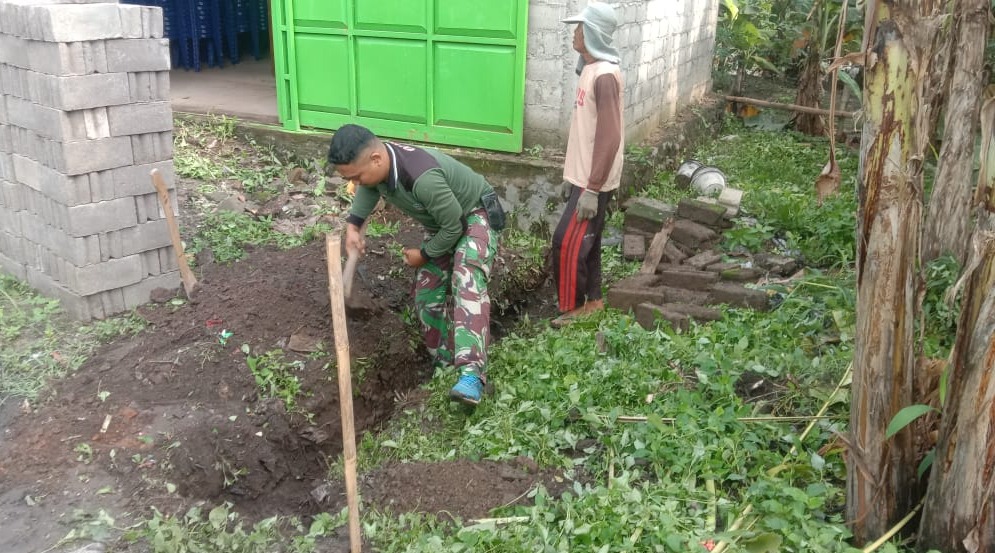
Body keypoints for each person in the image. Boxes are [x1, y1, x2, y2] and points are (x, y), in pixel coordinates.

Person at [327, 124, 504, 406]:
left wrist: (423, 254)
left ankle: (471, 374)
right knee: (426, 293)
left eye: (357, 176)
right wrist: (354, 224)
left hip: (472, 215)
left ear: (375, 159)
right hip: (443, 225)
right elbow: (369, 188)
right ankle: (444, 365)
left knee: (465, 275)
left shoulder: (422, 177)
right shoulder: (379, 169)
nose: (356, 184)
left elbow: (455, 226)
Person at [551, 2, 625, 328]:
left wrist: (591, 189)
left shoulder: (605, 76)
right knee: (588, 243)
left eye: (580, 28)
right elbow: (586, 130)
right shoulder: (590, 70)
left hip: (592, 181)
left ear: (593, 33)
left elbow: (610, 137)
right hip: (583, 176)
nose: (575, 33)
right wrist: (573, 176)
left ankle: (574, 307)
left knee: (565, 244)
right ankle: (593, 302)